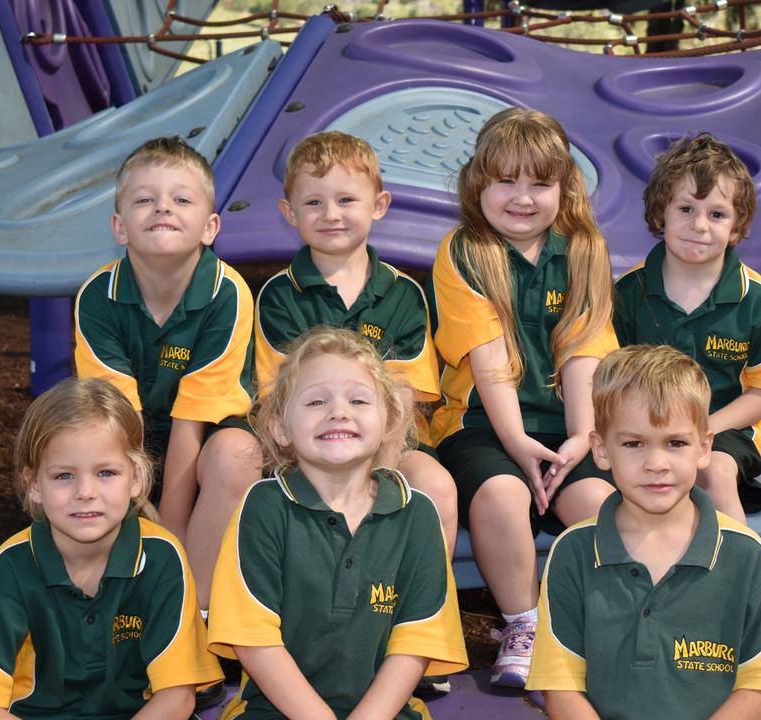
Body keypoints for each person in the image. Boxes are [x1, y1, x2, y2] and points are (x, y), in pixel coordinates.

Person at [428, 107, 617, 687]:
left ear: (565, 187)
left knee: (599, 507)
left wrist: (582, 437)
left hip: (567, 420)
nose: (522, 197)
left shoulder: (584, 248)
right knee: (503, 497)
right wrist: (516, 442)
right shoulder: (464, 251)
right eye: (506, 180)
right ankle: (522, 623)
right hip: (485, 422)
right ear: (478, 183)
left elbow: (583, 352)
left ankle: (595, 629)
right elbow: (490, 363)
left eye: (540, 183)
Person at [527, 345, 761, 719]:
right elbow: (560, 687)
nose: (656, 464)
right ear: (601, 450)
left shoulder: (745, 554)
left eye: (675, 443)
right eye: (633, 443)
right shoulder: (573, 552)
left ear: (705, 446)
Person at [207, 326, 467, 719]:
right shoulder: (262, 506)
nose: (338, 412)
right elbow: (254, 640)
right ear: (279, 426)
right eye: (315, 402)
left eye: (359, 399)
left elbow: (415, 643)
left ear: (389, 421)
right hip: (274, 710)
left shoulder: (418, 515)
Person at [0, 378, 222, 719]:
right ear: (34, 486)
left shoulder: (162, 560)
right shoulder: (10, 567)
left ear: (135, 478)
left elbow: (177, 698)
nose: (85, 491)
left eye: (105, 472)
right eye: (63, 476)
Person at [74, 136, 261, 608]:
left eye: (181, 199)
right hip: (133, 434)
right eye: (144, 200)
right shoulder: (98, 296)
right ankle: (93, 595)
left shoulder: (227, 293)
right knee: (75, 443)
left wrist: (170, 533)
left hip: (203, 436)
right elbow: (116, 421)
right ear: (120, 226)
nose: (163, 208)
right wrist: (142, 510)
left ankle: (192, 609)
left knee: (237, 453)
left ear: (210, 226)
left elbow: (192, 418)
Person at [255, 130, 459, 557]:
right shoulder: (279, 294)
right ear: (289, 213)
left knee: (435, 484)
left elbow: (404, 400)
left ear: (378, 205)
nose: (331, 214)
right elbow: (279, 398)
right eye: (313, 202)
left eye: (346, 200)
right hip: (307, 443)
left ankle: (422, 604)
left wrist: (374, 477)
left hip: (391, 442)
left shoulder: (404, 293)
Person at [613, 133, 761, 523]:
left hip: (722, 428)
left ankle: (738, 574)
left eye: (717, 214)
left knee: (711, 470)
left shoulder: (756, 300)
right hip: (641, 428)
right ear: (659, 213)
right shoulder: (627, 294)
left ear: (736, 228)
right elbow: (605, 378)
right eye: (685, 208)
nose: (699, 225)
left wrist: (704, 429)